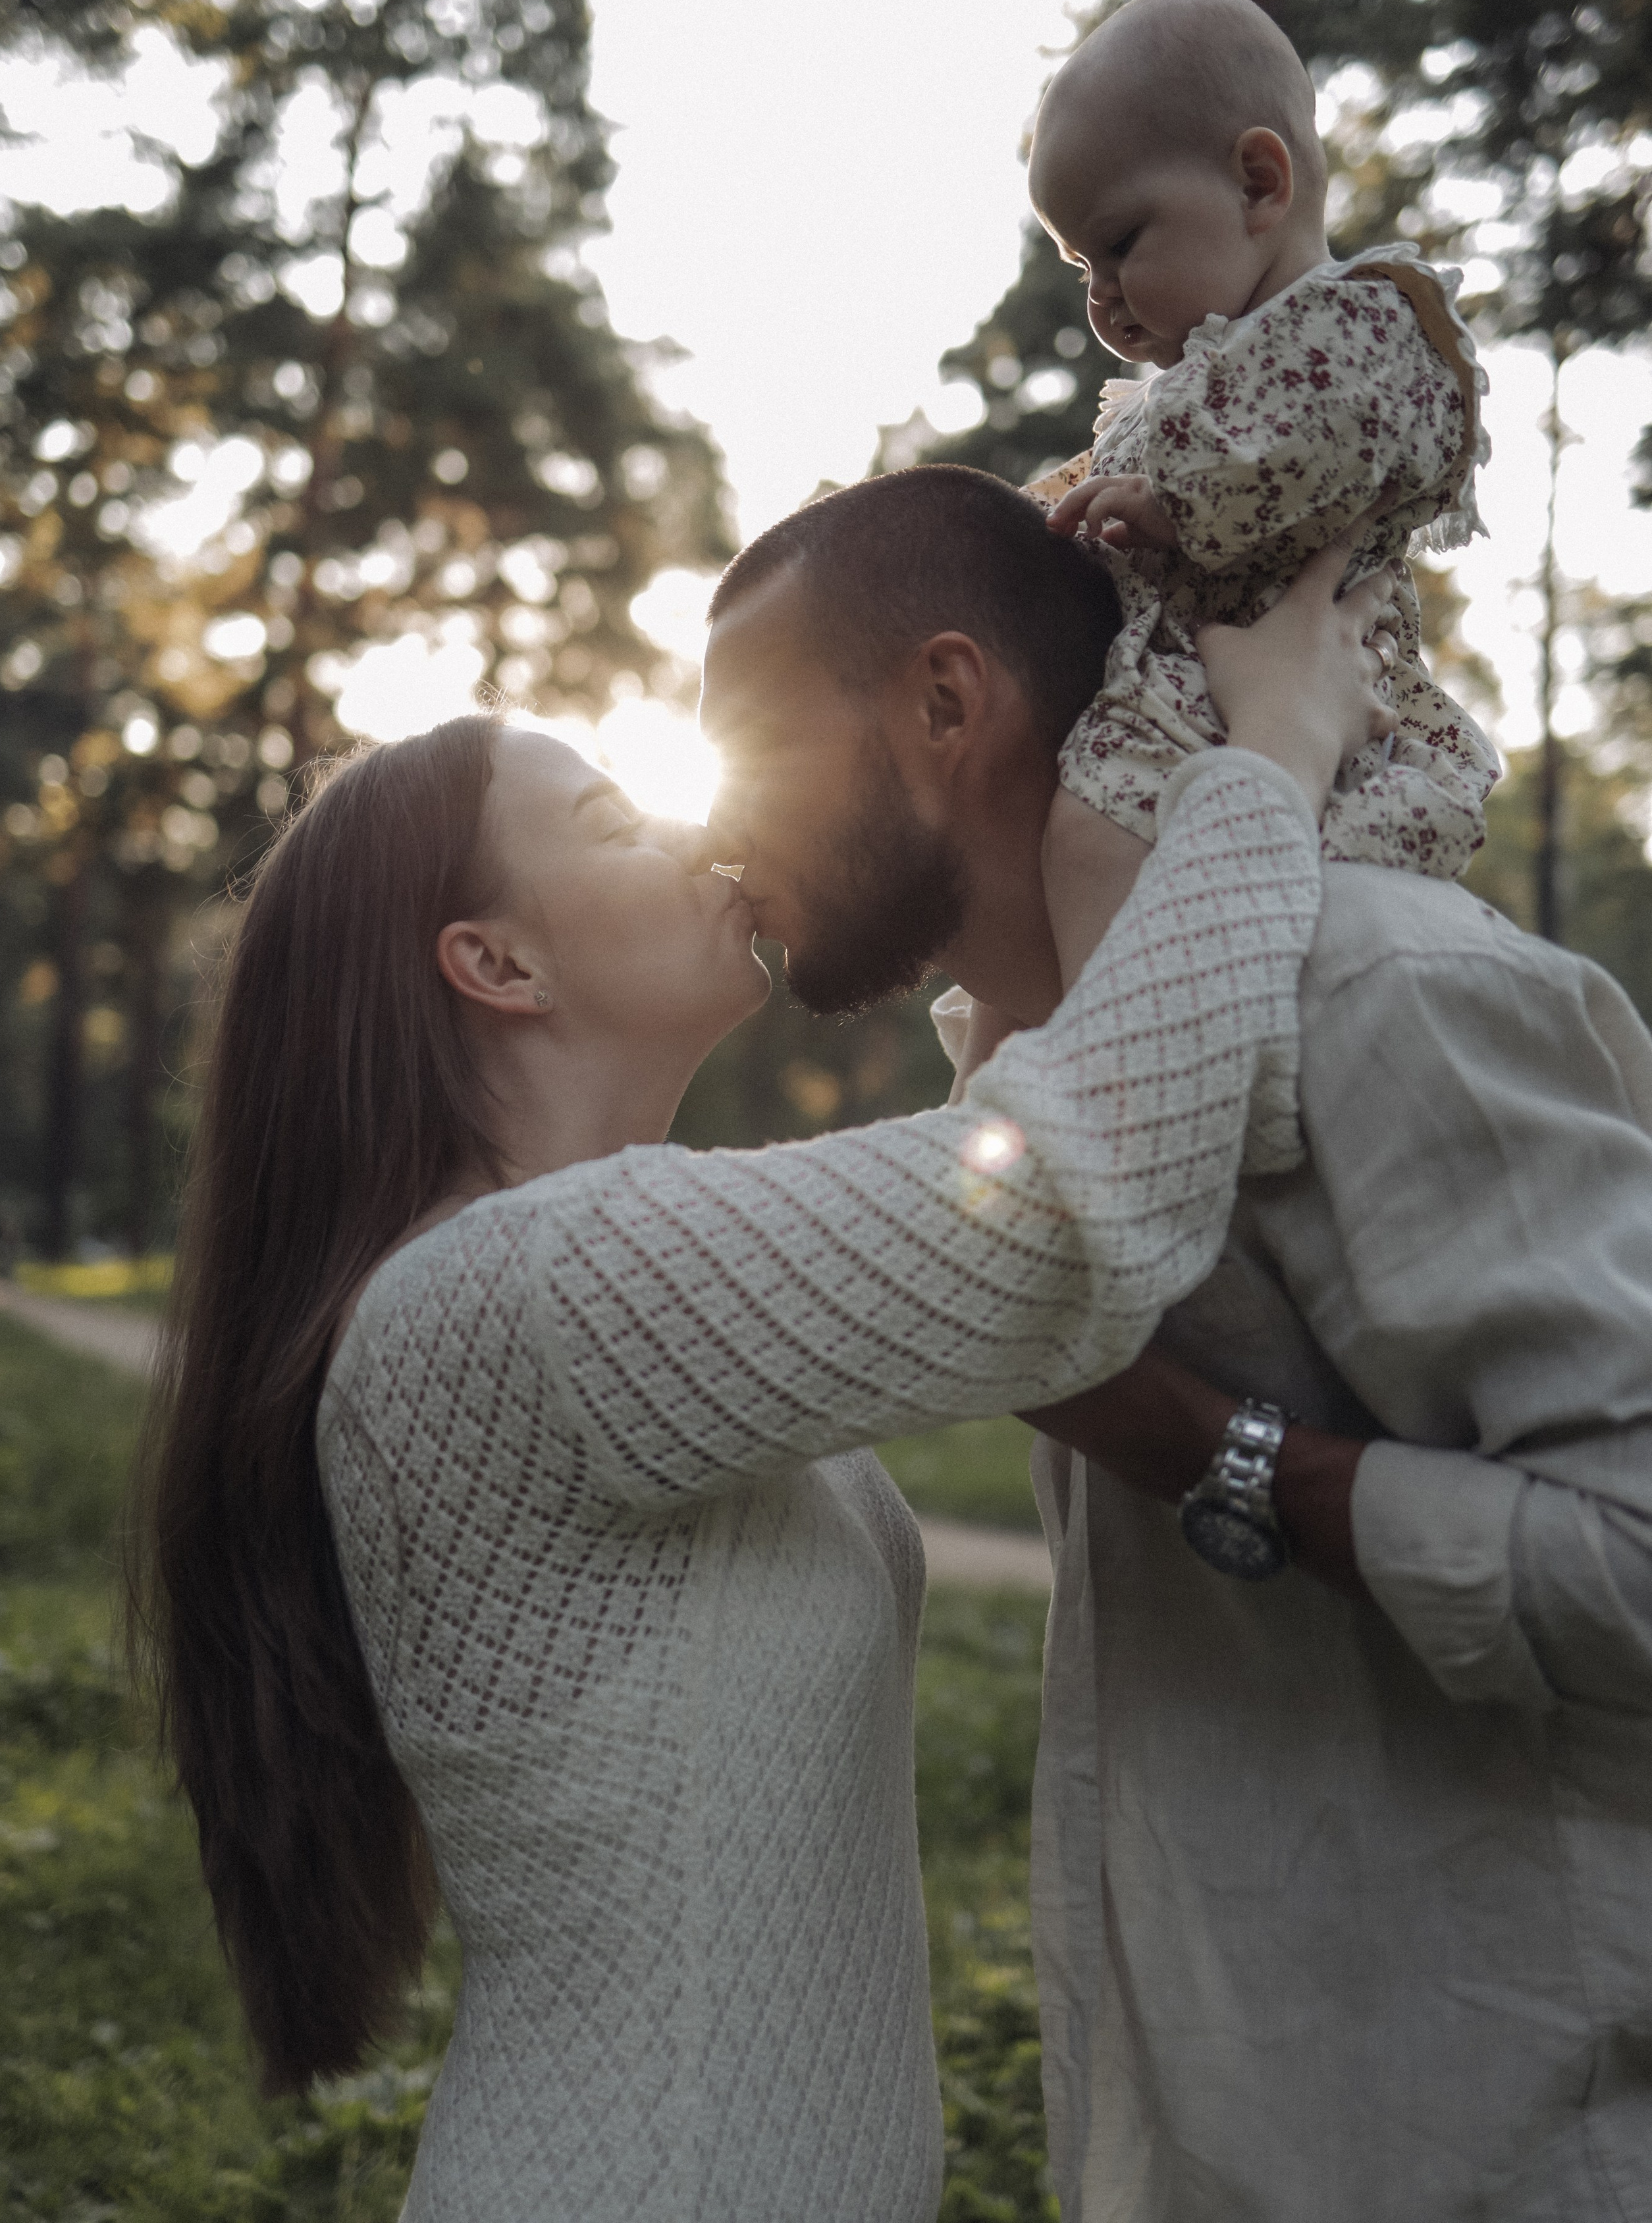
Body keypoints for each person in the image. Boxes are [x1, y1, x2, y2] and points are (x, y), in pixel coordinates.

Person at [131, 486, 1393, 2223]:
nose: (697, 833)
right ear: (493, 961)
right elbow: (1066, 1199)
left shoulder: (581, 1281)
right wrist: (1269, 761)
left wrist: (1014, 800)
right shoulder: (526, 1293)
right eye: (610, 819)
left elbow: (993, 1174)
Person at [700, 460, 1652, 2223]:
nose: (715, 830)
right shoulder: (1021, 1093)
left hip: (1507, 2130)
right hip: (1221, 2128)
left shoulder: (1380, 988)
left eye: (752, 748)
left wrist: (1205, 1450)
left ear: (945, 703)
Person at [1024, 0, 1498, 878]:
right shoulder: (1189, 393)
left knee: (1094, 830)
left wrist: (1172, 505)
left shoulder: (1362, 326)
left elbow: (1328, 439)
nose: (1101, 297)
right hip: (1194, 700)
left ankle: (1186, 964)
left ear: (1258, 183)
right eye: (1083, 266)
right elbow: (1103, 482)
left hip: (1316, 706)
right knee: (1064, 829)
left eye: (1119, 245)